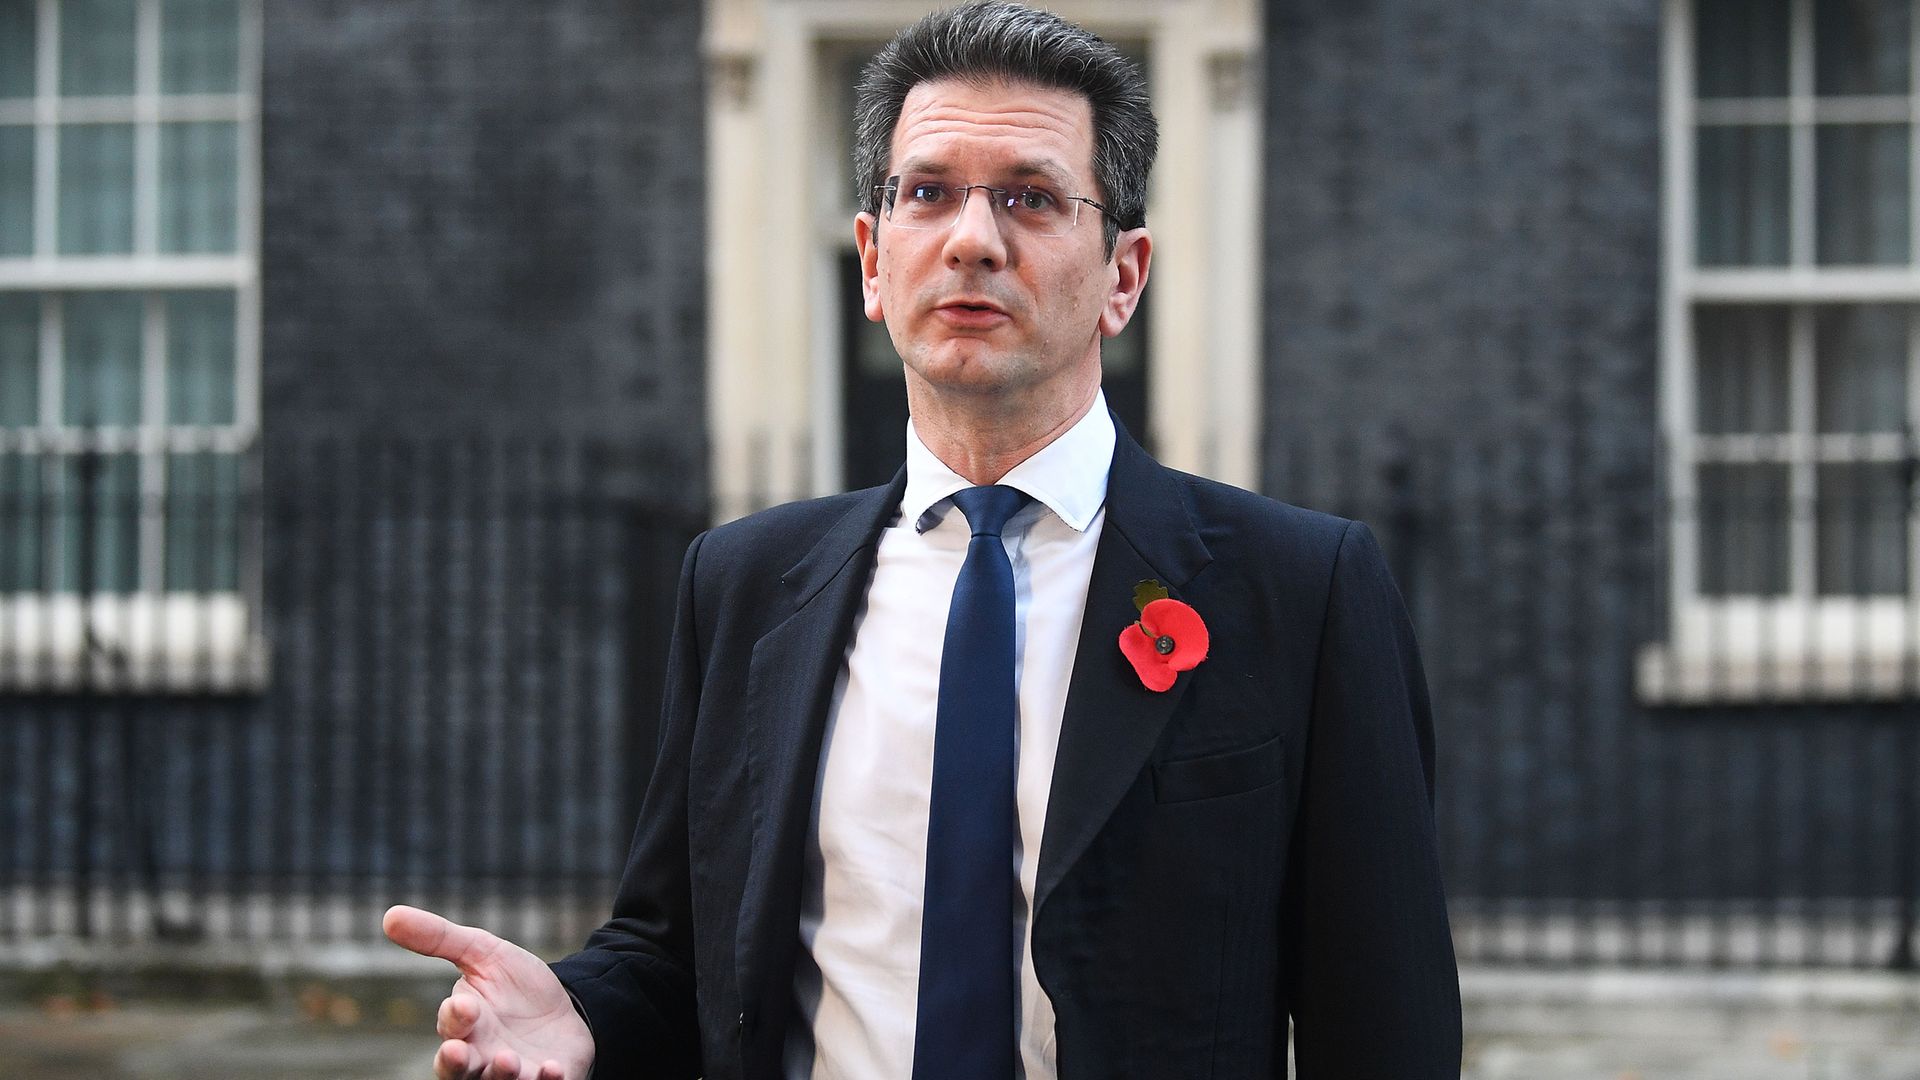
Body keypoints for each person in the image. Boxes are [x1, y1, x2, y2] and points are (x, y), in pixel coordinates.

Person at [384, 3, 1462, 1078]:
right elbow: (681, 951)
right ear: (871, 258)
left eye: (1032, 198)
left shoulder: (1300, 590)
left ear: (1123, 276)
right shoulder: (744, 584)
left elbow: (1384, 1023)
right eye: (929, 192)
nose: (973, 239)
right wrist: (584, 1015)